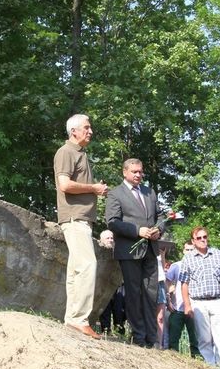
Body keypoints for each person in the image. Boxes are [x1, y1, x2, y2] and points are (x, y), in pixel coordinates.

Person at [54, 113, 108, 339]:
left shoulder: (79, 153)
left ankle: (72, 319)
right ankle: (79, 319)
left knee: (76, 270)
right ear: (73, 131)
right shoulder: (66, 152)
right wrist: (94, 188)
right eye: (86, 127)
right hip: (75, 218)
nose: (91, 131)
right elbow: (64, 184)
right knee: (87, 265)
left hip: (80, 218)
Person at [105, 158, 169, 347]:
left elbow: (161, 217)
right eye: (134, 172)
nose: (138, 175)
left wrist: (159, 230)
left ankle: (151, 338)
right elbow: (112, 222)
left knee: (151, 294)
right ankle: (138, 337)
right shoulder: (116, 194)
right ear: (124, 172)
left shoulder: (150, 192)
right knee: (133, 294)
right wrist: (137, 231)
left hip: (150, 250)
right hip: (129, 252)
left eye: (140, 172)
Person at [180, 226, 220, 369]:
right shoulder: (188, 258)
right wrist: (187, 305)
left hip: (218, 301)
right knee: (204, 338)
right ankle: (210, 366)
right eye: (199, 238)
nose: (203, 240)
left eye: (205, 237)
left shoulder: (218, 254)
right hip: (199, 303)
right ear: (193, 241)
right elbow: (184, 283)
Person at [166, 241, 200, 356]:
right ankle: (174, 360)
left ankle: (198, 360)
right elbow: (167, 282)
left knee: (196, 339)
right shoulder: (176, 266)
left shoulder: (199, 264)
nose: (189, 252)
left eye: (192, 250)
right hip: (178, 308)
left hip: (194, 307)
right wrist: (168, 301)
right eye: (187, 250)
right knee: (173, 339)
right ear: (183, 251)